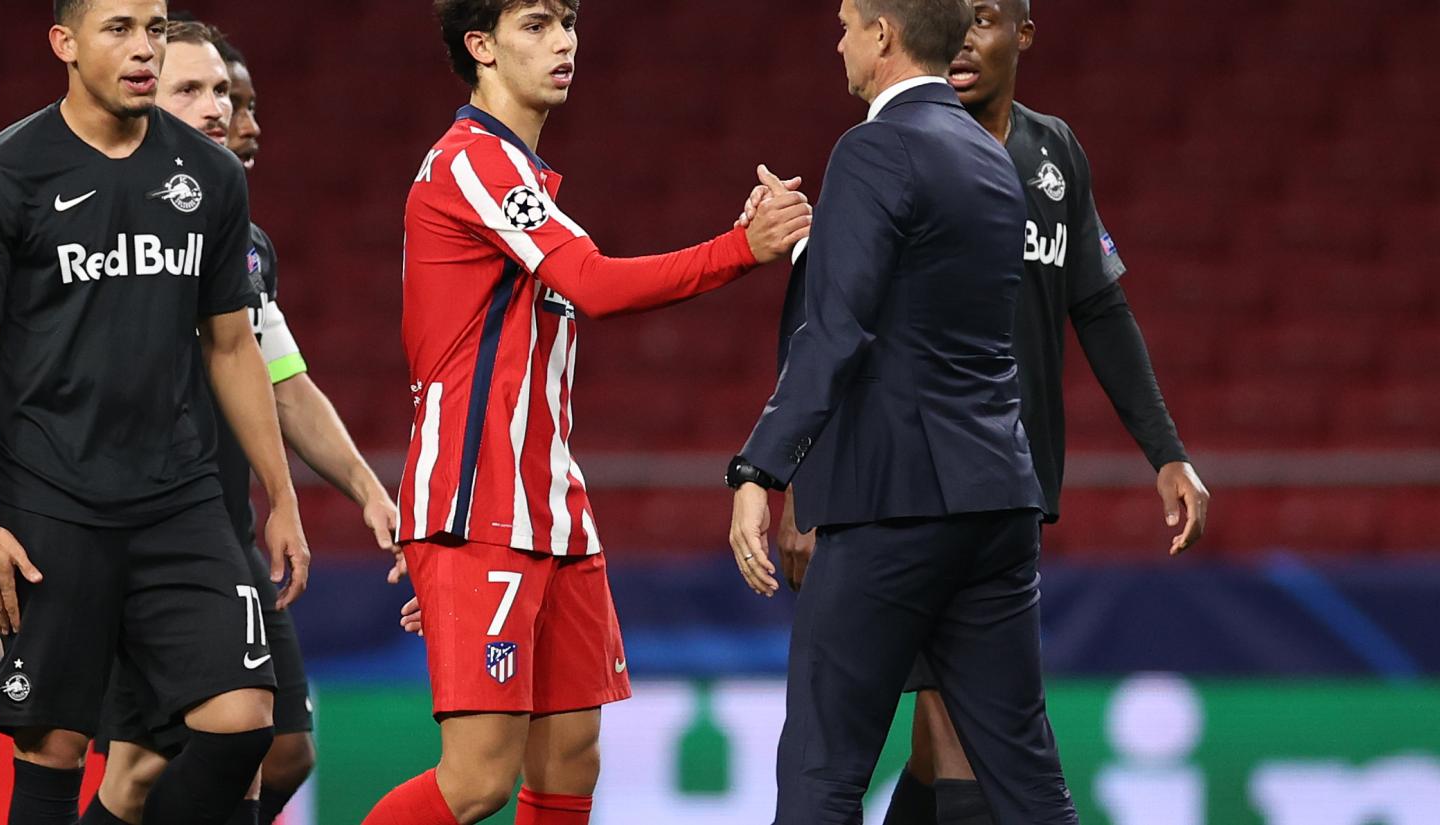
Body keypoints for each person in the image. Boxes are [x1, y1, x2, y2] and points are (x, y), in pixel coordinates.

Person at [364, 1, 811, 822]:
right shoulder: (470, 163)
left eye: (568, 20)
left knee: (571, 759)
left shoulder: (528, 180)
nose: (564, 40)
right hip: (478, 504)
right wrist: (741, 248)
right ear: (481, 47)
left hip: (554, 509)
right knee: (476, 780)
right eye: (535, 24)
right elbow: (595, 284)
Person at [763, 2, 1208, 822]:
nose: (965, 38)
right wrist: (806, 487)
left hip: (986, 486)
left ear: (1023, 36)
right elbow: (842, 329)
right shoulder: (909, 154)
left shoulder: (1049, 154)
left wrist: (1165, 449)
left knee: (924, 743)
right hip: (919, 488)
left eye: (987, 19)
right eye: (955, 18)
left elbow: (1099, 309)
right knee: (966, 742)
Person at [0, 2, 309, 823]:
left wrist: (281, 495)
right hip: (49, 498)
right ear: (64, 44)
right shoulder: (1, 175)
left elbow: (233, 348)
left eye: (156, 29)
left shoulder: (210, 177)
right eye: (120, 29)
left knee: (244, 723)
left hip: (179, 494)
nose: (143, 49)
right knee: (54, 747)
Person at [724, 0, 1078, 822]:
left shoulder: (873, 147)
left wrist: (760, 468)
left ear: (883, 34)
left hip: (895, 504)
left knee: (821, 769)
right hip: (996, 502)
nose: (838, 39)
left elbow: (838, 331)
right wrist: (821, 240)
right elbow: (920, 304)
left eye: (848, 22)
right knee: (1026, 780)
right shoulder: (991, 159)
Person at [84, 18, 395, 825]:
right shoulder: (107, 221)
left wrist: (366, 488)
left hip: (222, 533)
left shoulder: (243, 245)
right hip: (131, 531)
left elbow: (282, 380)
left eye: (225, 91)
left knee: (281, 747)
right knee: (149, 766)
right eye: (196, 90)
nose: (222, 110)